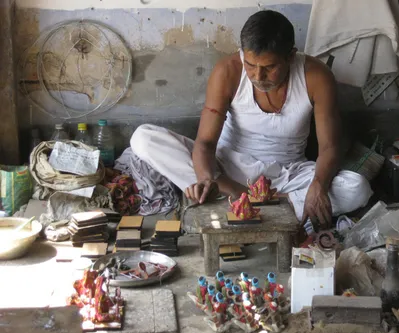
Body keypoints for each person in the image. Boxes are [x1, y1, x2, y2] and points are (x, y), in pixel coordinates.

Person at [130, 10, 372, 229]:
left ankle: (253, 207)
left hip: (285, 175)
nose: (258, 76)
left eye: (269, 67)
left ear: (290, 56)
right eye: (251, 65)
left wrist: (318, 185)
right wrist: (207, 179)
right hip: (228, 170)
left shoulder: (316, 76)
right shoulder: (228, 71)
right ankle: (254, 204)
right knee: (143, 138)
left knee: (356, 187)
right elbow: (204, 143)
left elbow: (330, 146)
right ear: (241, 54)